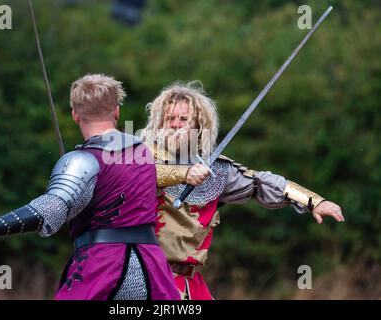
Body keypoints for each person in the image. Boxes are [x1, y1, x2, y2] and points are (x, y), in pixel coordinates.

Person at [0, 74, 180, 300]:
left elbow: (48, 210)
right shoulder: (144, 155)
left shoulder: (82, 160)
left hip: (103, 268)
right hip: (152, 268)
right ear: (117, 111)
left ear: (75, 115)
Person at [142, 81, 344, 300]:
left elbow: (260, 183)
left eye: (183, 119)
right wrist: (183, 174)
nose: (175, 125)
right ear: (159, 123)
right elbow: (148, 177)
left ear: (198, 127)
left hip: (189, 284)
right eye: (169, 119)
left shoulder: (216, 170)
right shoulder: (139, 159)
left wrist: (312, 201)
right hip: (146, 278)